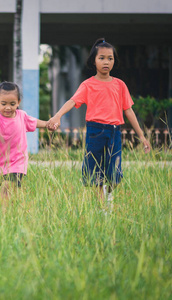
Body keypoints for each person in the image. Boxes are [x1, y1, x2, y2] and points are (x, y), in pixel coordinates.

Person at [46, 38, 151, 211]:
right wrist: (57, 116)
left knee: (115, 174)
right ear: (94, 60)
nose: (106, 62)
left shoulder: (120, 85)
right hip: (95, 131)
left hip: (115, 132)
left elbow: (129, 111)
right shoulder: (88, 85)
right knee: (94, 171)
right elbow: (72, 101)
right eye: (101, 58)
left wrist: (142, 136)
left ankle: (108, 195)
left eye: (110, 58)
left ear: (114, 61)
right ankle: (102, 208)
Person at [0, 81, 50, 200]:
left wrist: (48, 124)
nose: (8, 107)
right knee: (10, 193)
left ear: (18, 102)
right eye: (4, 103)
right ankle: (12, 212)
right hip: (1, 164)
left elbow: (35, 122)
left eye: (12, 104)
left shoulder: (22, 116)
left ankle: (6, 214)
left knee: (7, 187)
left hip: (18, 162)